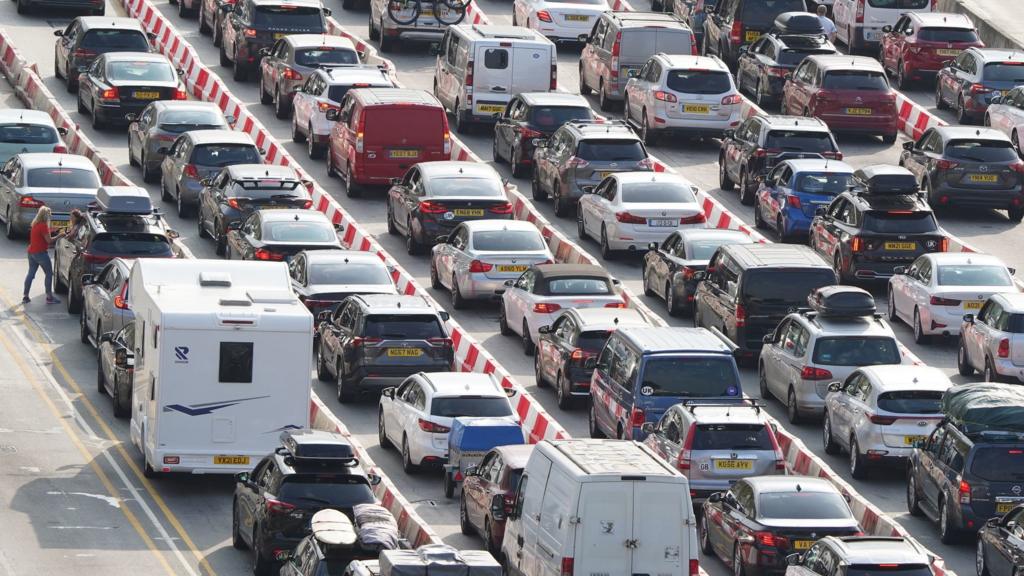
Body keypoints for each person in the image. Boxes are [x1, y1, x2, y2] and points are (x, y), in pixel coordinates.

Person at [23, 205, 63, 305]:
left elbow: (42, 237)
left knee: (31, 274)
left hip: (31, 252)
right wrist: (59, 235)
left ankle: (25, 295)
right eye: (49, 215)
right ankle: (49, 297)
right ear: (46, 215)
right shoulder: (43, 226)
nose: (50, 217)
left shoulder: (35, 224)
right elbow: (49, 240)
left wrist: (53, 232)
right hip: (40, 253)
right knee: (49, 273)